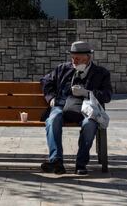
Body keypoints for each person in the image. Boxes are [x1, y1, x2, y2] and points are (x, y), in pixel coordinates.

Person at [40, 41, 112, 175]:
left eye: (78, 58)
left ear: (88, 57)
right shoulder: (63, 68)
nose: (74, 60)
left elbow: (107, 95)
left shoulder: (101, 73)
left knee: (89, 125)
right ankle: (56, 161)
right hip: (62, 106)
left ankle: (81, 164)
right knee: (52, 119)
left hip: (87, 109)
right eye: (72, 57)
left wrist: (87, 93)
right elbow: (45, 81)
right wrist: (51, 97)